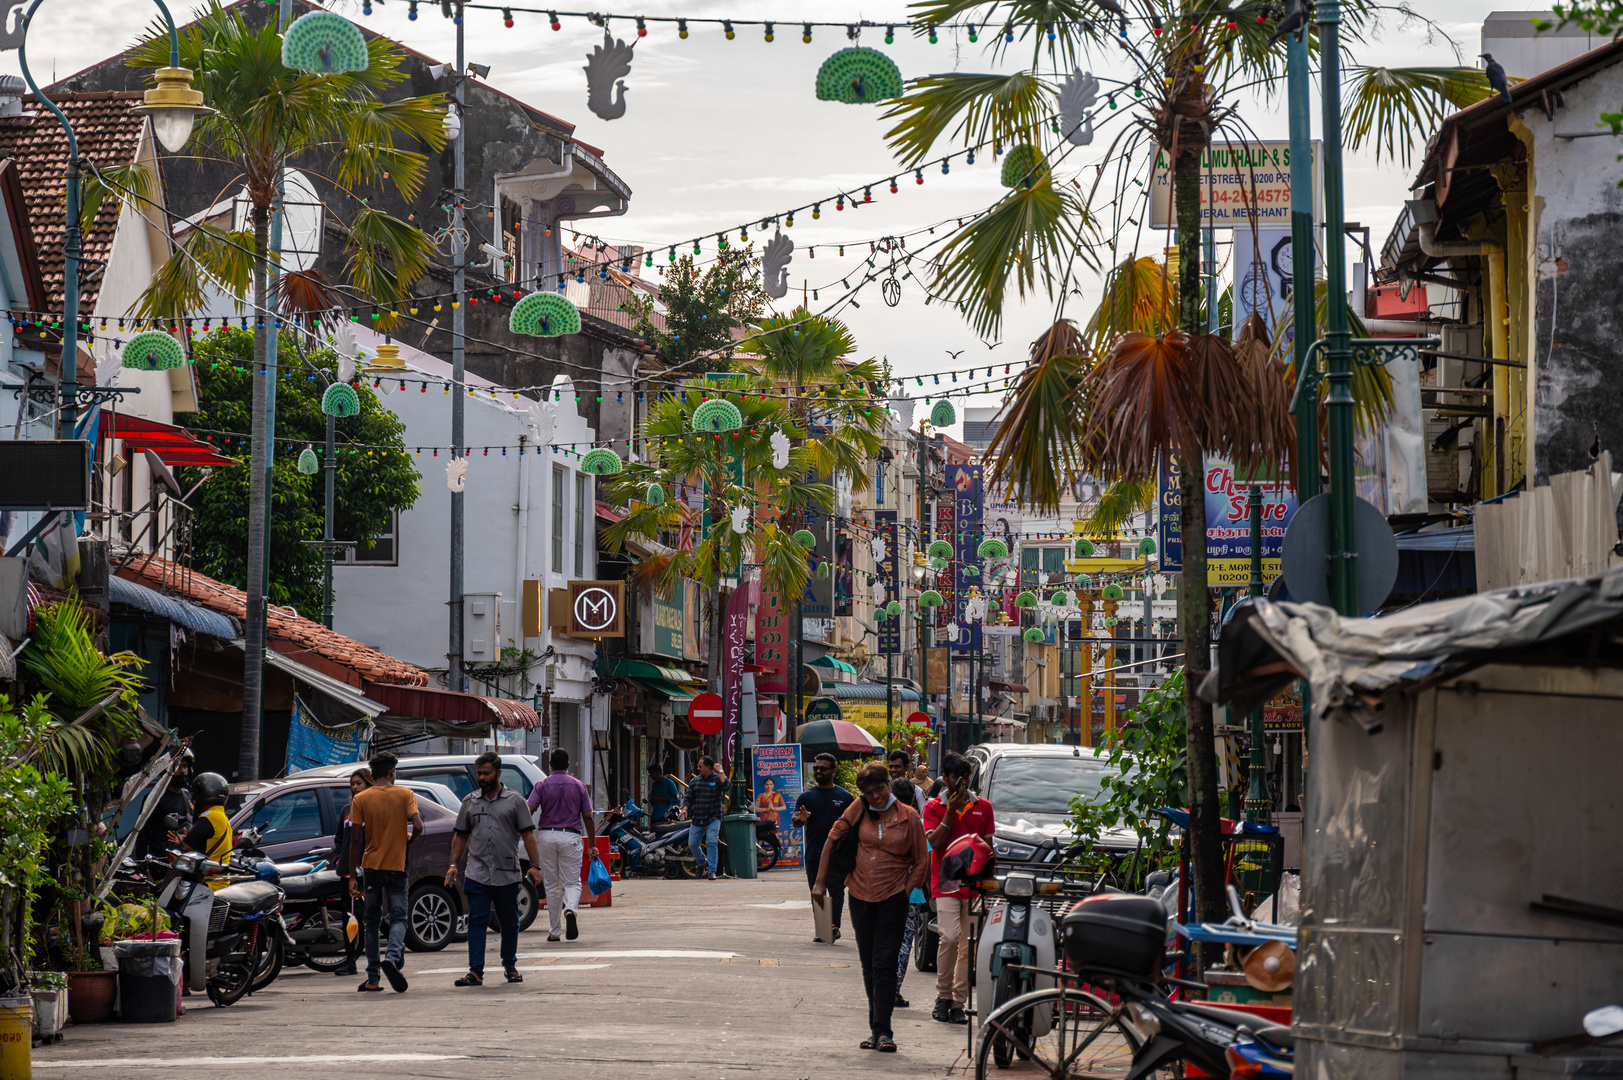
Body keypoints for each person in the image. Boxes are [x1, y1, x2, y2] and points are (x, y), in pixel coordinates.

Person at [812, 761, 928, 1054]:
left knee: (884, 962)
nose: (876, 796)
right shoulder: (859, 807)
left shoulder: (909, 816)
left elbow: (921, 860)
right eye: (869, 792)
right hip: (860, 895)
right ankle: (875, 1028)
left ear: (889, 784)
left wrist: (906, 890)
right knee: (868, 965)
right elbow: (832, 839)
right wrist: (820, 882)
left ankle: (884, 1031)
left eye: (879, 789)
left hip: (893, 898)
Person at [446, 752, 543, 986]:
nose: (481, 777)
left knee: (509, 922)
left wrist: (535, 866)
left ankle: (510, 965)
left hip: (506, 873)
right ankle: (475, 972)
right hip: (476, 873)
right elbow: (461, 836)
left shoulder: (516, 801)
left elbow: (528, 835)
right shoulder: (469, 801)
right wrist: (452, 865)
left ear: (498, 773)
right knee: (477, 921)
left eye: (486, 773)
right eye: (479, 773)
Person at [922, 753, 994, 1024]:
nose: (962, 784)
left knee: (968, 946)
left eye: (965, 779)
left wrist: (989, 880)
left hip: (975, 885)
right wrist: (951, 811)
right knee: (949, 938)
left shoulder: (983, 807)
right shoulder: (933, 807)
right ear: (946, 779)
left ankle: (958, 1003)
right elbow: (937, 844)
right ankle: (942, 995)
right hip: (946, 882)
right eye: (956, 779)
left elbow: (989, 847)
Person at [349, 750, 423, 994]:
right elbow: (419, 825)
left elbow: (355, 840)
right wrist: (410, 837)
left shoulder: (360, 799)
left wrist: (352, 875)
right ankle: (392, 957)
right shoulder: (405, 794)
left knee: (371, 922)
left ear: (371, 775)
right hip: (397, 865)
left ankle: (373, 979)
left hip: (371, 867)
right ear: (392, 773)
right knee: (399, 918)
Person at [527, 747, 597, 941]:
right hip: (571, 837)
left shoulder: (541, 785)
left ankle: (554, 932)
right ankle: (571, 911)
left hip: (547, 836)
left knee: (551, 885)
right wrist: (592, 844)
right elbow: (588, 818)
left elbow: (528, 809)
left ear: (550, 765)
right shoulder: (579, 786)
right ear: (567, 765)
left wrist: (523, 833)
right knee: (572, 882)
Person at [792, 753, 854, 942]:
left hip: (838, 854)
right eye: (816, 768)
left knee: (836, 890)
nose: (818, 771)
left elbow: (855, 824)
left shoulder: (845, 797)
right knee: (817, 891)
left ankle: (833, 927)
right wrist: (801, 819)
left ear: (833, 771)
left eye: (823, 768)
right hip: (814, 853)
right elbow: (795, 820)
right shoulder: (806, 796)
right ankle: (822, 928)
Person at [332, 767, 373, 976]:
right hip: (348, 873)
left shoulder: (374, 808)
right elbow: (339, 838)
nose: (355, 787)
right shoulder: (346, 809)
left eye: (359, 783)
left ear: (369, 783)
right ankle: (350, 961)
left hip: (369, 871)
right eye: (353, 784)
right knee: (350, 917)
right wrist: (341, 857)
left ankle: (396, 946)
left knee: (370, 915)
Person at [136, 748, 193, 859]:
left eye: (185, 766)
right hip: (159, 861)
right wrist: (142, 866)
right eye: (178, 766)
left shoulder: (188, 797)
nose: (182, 771)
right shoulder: (155, 798)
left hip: (183, 861)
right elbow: (142, 834)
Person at [182, 771, 234, 888]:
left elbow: (186, 846)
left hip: (206, 884)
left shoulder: (209, 817)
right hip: (219, 883)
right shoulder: (221, 816)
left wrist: (179, 842)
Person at [681, 755, 727, 880]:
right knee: (693, 844)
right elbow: (688, 798)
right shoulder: (695, 781)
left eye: (700, 766)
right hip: (697, 819)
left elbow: (727, 786)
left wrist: (721, 771)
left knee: (711, 841)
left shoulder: (717, 779)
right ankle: (702, 863)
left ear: (708, 767)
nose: (698, 768)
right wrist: (685, 809)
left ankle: (711, 871)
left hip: (713, 818)